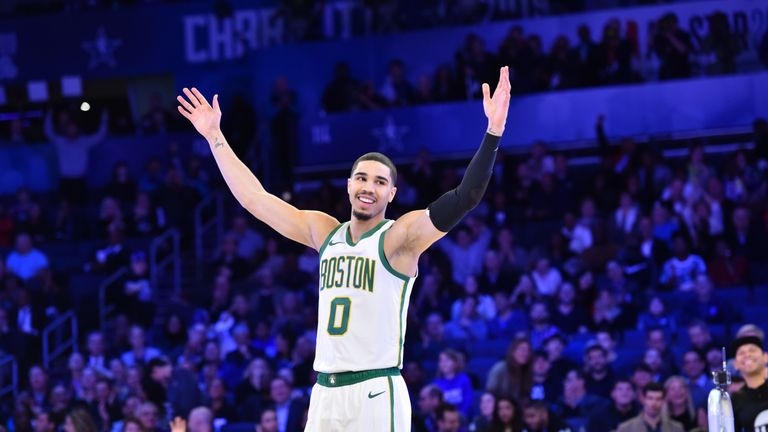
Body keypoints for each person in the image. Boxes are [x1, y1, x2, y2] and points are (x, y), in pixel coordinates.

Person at [176, 65, 512, 431]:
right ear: (348, 184)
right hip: (325, 392)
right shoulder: (324, 231)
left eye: (380, 181)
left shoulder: (398, 238)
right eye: (362, 178)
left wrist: (493, 132)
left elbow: (465, 197)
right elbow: (256, 200)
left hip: (375, 388)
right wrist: (215, 138)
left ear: (392, 194)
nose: (369, 187)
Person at [730, 335, 768, 431]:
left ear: (765, 357)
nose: (747, 355)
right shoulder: (734, 400)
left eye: (752, 350)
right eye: (741, 353)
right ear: (735, 364)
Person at [616, 382, 684, 432]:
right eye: (650, 398)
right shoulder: (626, 428)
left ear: (663, 401)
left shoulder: (676, 428)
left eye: (658, 399)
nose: (654, 403)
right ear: (642, 399)